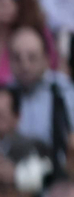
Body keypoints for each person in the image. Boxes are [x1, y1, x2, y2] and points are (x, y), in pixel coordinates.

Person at [10, 26, 72, 178]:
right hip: (14, 174)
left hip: (61, 174)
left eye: (32, 57)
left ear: (46, 58)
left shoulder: (64, 91)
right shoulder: (3, 94)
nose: (25, 66)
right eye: (17, 58)